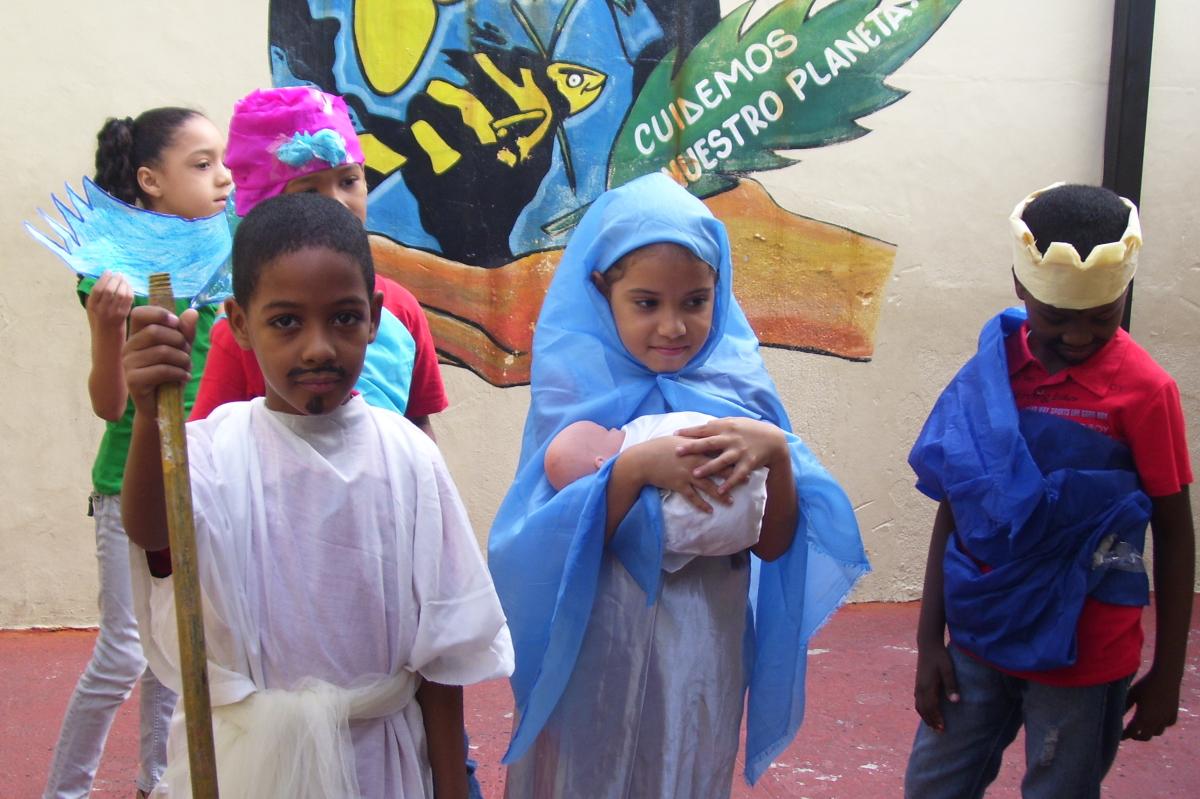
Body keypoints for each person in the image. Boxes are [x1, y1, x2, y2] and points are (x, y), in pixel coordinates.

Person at [120, 192, 513, 798]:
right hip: (250, 767)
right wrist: (150, 417)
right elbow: (153, 532)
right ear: (240, 323)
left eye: (343, 318)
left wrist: (451, 788)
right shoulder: (216, 449)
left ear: (374, 317)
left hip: (377, 764)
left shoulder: (407, 457)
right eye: (286, 321)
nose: (318, 347)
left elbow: (441, 657)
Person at [488, 172, 869, 797]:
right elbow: (539, 545)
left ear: (721, 292)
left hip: (701, 646)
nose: (673, 326)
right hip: (597, 648)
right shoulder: (573, 394)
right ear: (601, 292)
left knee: (682, 767)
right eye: (647, 303)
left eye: (695, 301)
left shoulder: (741, 394)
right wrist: (634, 468)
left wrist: (777, 454)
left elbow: (772, 545)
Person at [905, 183, 1194, 799]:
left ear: (1125, 292)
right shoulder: (992, 372)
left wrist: (1169, 673)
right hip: (980, 633)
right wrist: (930, 641)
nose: (1079, 336)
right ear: (1021, 286)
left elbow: (1174, 531)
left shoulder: (1147, 393)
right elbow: (958, 504)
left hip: (1087, 651)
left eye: (1102, 316)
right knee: (933, 785)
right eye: (1057, 316)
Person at [44, 107, 231, 799]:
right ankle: (65, 789)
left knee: (175, 650)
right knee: (123, 651)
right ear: (151, 180)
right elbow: (108, 404)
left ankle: (158, 782)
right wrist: (107, 327)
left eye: (223, 161)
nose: (223, 176)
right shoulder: (112, 272)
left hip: (204, 472)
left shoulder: (223, 257)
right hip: (131, 483)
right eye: (202, 164)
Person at [190, 86, 447, 438]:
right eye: (309, 190)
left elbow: (417, 422)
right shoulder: (246, 331)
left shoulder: (401, 309)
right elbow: (207, 445)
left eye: (349, 181)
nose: (337, 202)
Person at [544, 413, 766, 571]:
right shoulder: (641, 435)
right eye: (605, 432)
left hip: (737, 522)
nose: (615, 429)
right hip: (745, 496)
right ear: (601, 463)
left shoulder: (648, 430)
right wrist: (636, 466)